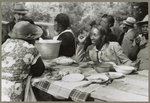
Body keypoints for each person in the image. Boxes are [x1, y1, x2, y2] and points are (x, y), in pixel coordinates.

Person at [1, 21, 45, 101]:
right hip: (14, 91)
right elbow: (39, 71)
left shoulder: (4, 45)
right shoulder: (31, 49)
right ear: (30, 37)